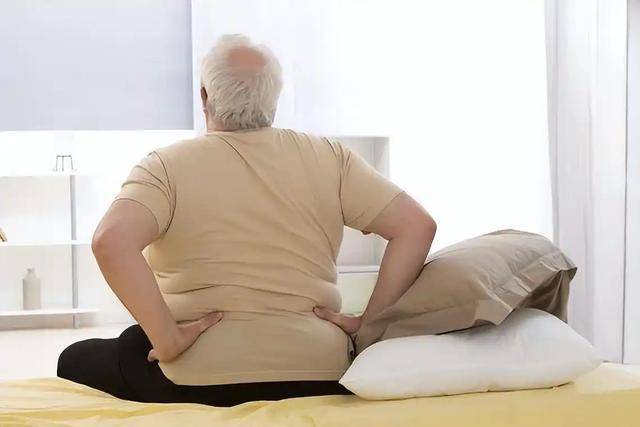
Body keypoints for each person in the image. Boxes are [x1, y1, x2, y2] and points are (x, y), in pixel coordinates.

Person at [57, 34, 437, 406]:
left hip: (196, 378)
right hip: (319, 371)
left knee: (75, 358)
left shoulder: (165, 166)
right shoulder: (331, 158)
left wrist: (167, 339)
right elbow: (416, 226)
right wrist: (370, 325)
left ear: (205, 97)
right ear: (274, 99)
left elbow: (111, 241)